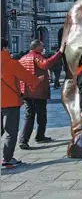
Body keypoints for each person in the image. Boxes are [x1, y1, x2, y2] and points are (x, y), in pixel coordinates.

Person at [1, 38, 42, 168]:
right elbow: (26, 77)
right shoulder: (11, 63)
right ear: (5, 48)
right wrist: (37, 80)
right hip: (10, 102)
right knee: (11, 131)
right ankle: (7, 159)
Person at [18, 39, 66, 149]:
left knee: (29, 115)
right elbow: (45, 65)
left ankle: (25, 139)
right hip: (37, 90)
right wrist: (59, 53)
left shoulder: (23, 58)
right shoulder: (36, 56)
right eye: (42, 46)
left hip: (25, 90)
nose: (43, 48)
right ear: (37, 47)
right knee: (41, 114)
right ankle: (37, 137)